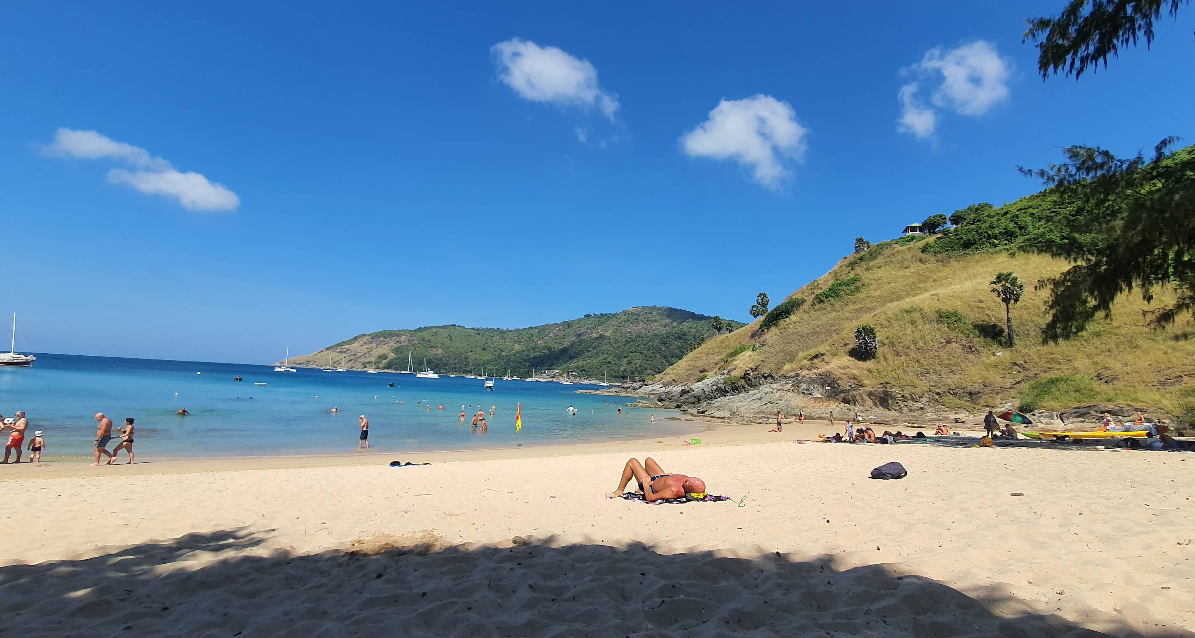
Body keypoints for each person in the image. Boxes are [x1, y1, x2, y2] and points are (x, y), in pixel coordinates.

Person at [606, 458, 707, 502]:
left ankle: (619, 491)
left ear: (688, 489)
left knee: (632, 462)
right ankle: (641, 489)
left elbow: (651, 498)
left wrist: (646, 485)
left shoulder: (673, 491)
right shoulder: (687, 481)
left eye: (687, 482)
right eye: (688, 479)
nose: (686, 480)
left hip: (650, 485)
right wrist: (669, 476)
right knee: (648, 460)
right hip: (661, 478)